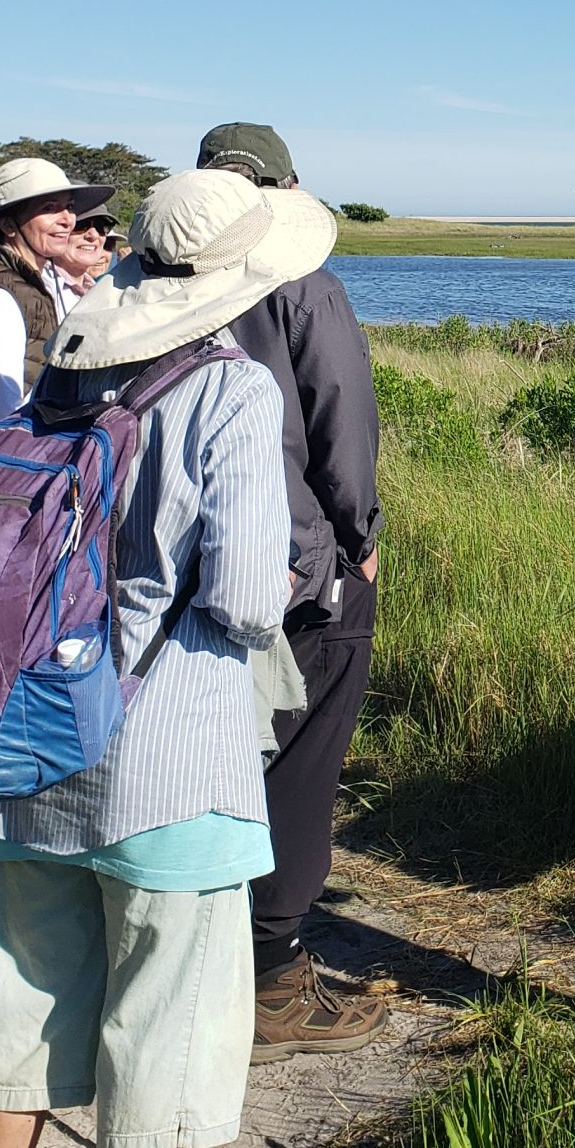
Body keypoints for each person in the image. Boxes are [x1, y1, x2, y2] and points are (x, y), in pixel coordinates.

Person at [0, 169, 320, 1148]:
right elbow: (239, 598)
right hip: (169, 758)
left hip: (27, 734)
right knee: (160, 1032)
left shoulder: (67, 360)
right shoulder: (230, 386)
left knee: (19, 1004)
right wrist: (280, 576)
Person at [191, 120, 388, 1057]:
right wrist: (362, 540)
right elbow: (342, 425)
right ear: (288, 188)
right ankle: (272, 973)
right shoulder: (304, 286)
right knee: (301, 761)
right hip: (295, 563)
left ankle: (202, 951)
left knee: (203, 751)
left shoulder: (149, 284)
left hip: (176, 565)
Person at [0, 159, 113, 462]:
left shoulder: (32, 284)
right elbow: (3, 413)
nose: (67, 219)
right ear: (8, 225)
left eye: (68, 206)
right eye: (50, 207)